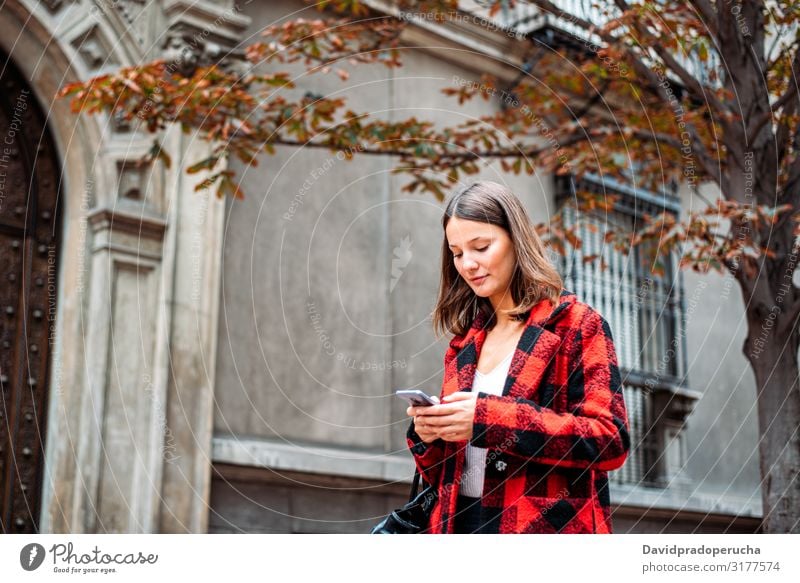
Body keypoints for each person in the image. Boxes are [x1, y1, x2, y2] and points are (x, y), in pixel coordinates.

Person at [405, 180, 630, 534]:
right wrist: (430, 434)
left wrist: (487, 419)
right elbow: (447, 472)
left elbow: (609, 440)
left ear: (516, 240)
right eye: (457, 252)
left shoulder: (576, 325)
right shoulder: (465, 344)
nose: (468, 264)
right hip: (456, 526)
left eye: (481, 246)